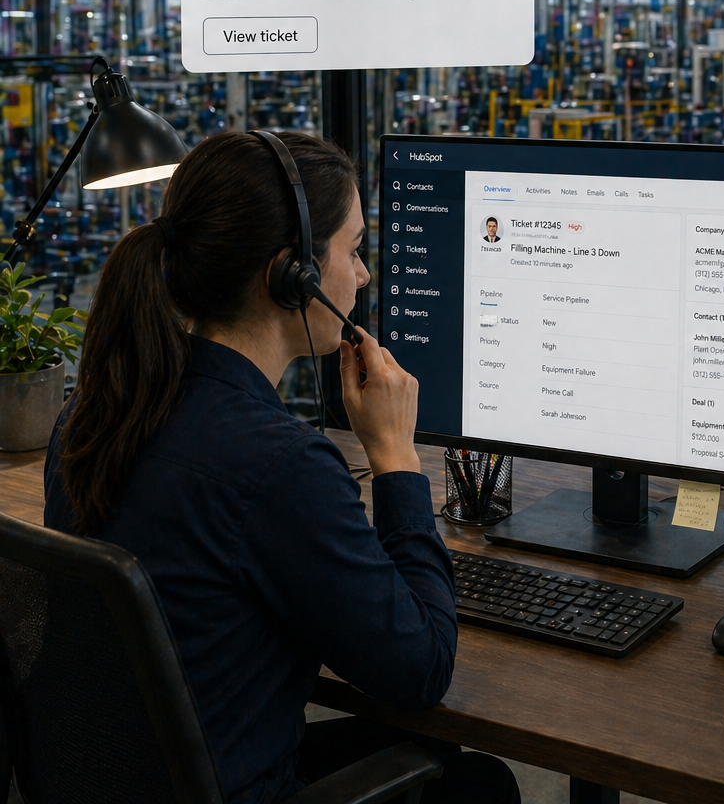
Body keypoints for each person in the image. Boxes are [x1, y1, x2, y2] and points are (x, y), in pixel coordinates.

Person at [44, 131, 518, 804]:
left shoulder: (92, 413)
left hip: (136, 779)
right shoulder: (279, 464)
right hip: (237, 785)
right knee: (477, 786)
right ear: (291, 274)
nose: (363, 276)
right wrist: (396, 458)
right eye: (353, 251)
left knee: (429, 752)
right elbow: (422, 669)